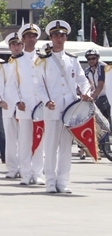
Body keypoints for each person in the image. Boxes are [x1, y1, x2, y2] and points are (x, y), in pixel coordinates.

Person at [35, 20, 92, 194]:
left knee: (66, 147)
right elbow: (38, 85)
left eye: (62, 35)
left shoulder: (72, 60)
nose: (59, 39)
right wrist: (46, 101)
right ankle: (50, 181)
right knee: (51, 146)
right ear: (50, 38)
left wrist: (85, 92)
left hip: (70, 109)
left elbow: (82, 80)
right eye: (55, 35)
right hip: (52, 108)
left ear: (66, 37)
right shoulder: (42, 60)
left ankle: (63, 181)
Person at [12, 23, 45, 186]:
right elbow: (12, 84)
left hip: (41, 106)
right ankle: (25, 173)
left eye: (33, 36)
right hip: (24, 106)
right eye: (28, 36)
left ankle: (37, 173)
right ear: (22, 39)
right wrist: (17, 101)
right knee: (24, 141)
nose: (31, 39)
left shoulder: (43, 59)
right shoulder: (16, 60)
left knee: (39, 140)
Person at [0, 32, 22, 179]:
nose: (16, 47)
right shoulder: (4, 66)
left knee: (25, 139)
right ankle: (12, 168)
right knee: (10, 139)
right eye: (13, 45)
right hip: (9, 106)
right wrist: (0, 100)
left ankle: (25, 167)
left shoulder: (29, 62)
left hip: (25, 106)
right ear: (10, 47)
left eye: (18, 44)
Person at [84, 49, 109, 128]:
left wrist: (92, 97)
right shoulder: (87, 71)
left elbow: (100, 85)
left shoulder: (102, 67)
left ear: (97, 58)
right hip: (98, 96)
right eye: (89, 59)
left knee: (102, 118)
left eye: (93, 58)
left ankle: (104, 138)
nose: (91, 60)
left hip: (107, 96)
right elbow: (88, 85)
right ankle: (103, 139)